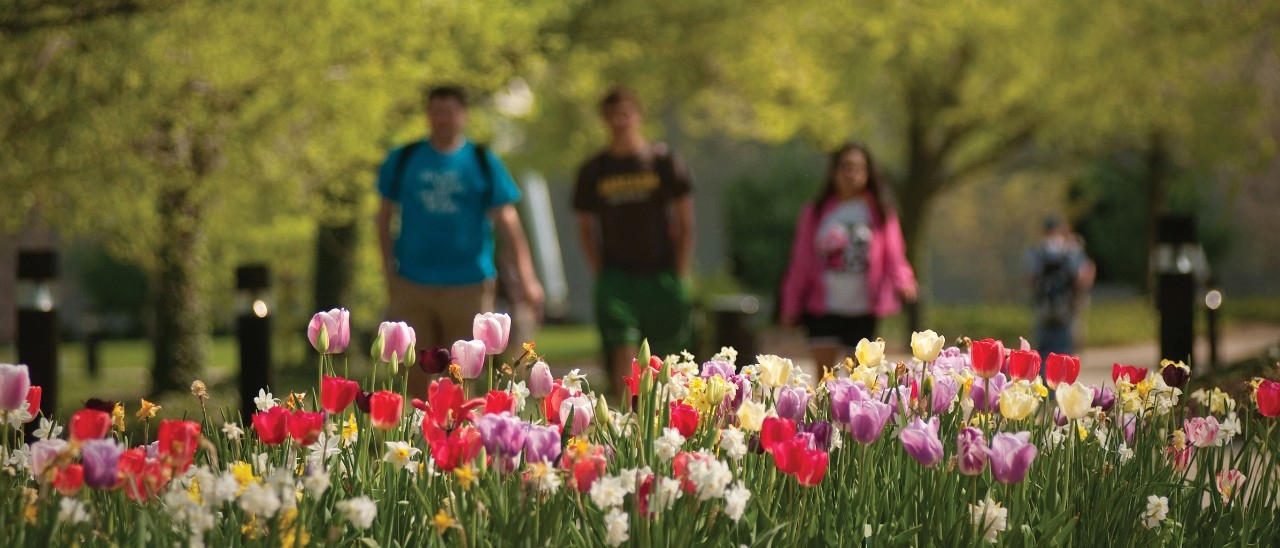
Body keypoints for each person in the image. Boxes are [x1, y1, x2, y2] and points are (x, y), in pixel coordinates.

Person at [375, 85, 544, 396]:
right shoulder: (405, 159)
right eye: (436, 112)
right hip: (412, 282)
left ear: (462, 115)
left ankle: (461, 440)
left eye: (450, 112)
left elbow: (507, 220)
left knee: (463, 376)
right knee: (412, 372)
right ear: (428, 115)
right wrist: (388, 269)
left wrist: (528, 276)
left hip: (469, 284)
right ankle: (419, 440)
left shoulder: (481, 161)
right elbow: (383, 216)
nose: (443, 119)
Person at [573, 87, 695, 396]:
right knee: (624, 353)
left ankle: (672, 421)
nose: (620, 120)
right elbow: (585, 227)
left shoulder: (662, 162)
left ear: (638, 115)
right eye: (613, 115)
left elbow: (685, 221)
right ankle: (627, 423)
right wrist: (600, 270)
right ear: (604, 120)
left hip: (661, 273)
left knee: (669, 357)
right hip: (617, 278)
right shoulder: (594, 170)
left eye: (626, 113)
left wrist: (680, 270)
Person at [779, 142, 917, 372]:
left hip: (863, 309)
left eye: (857, 168)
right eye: (845, 167)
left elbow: (895, 256)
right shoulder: (816, 213)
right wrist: (790, 304)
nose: (850, 174)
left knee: (858, 380)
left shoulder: (881, 213)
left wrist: (904, 282)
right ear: (834, 172)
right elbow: (800, 262)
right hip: (823, 308)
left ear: (867, 173)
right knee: (824, 379)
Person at [1025, 217, 1094, 360]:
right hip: (1065, 308)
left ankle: (1045, 378)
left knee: (1045, 351)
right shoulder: (1072, 250)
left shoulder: (1037, 252)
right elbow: (1084, 277)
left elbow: (1029, 278)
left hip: (1046, 308)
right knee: (1064, 352)